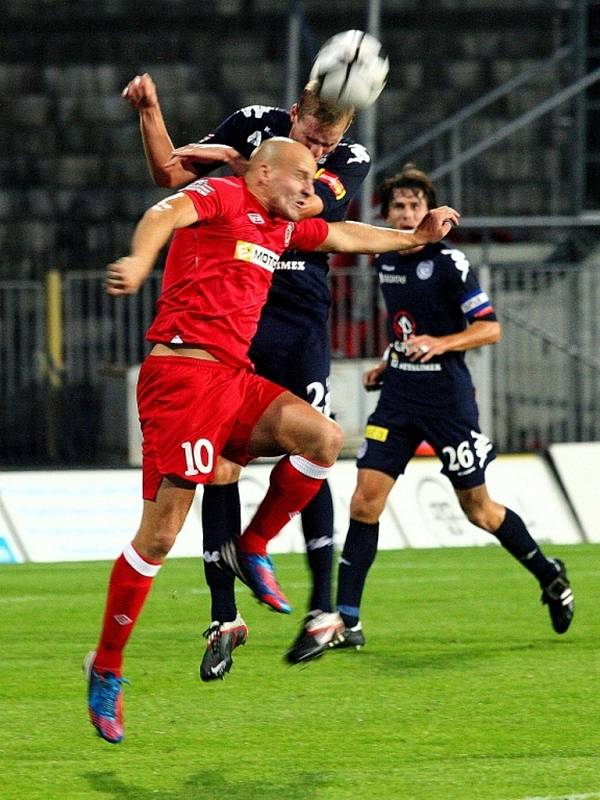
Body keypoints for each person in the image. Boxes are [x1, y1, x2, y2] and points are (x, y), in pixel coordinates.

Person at [84, 138, 460, 744]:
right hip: (181, 376)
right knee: (158, 535)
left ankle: (251, 544)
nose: (313, 190)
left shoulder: (282, 229)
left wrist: (418, 239)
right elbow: (164, 212)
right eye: (305, 177)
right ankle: (106, 666)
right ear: (263, 172)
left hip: (233, 379)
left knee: (324, 439)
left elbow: (348, 237)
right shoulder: (225, 194)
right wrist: (137, 259)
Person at [122, 72, 372, 669]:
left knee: (316, 444)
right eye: (312, 133)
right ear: (295, 112)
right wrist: (153, 113)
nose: (318, 150)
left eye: (328, 141)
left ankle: (320, 607)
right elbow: (169, 178)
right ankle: (222, 615)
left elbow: (310, 210)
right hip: (238, 317)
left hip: (301, 318)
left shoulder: (349, 157)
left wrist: (239, 163)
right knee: (222, 463)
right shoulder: (255, 123)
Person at [328, 164, 575, 655]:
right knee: (364, 501)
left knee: (478, 511)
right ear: (387, 214)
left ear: (429, 213)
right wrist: (388, 360)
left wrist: (440, 344)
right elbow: (406, 328)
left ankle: (549, 575)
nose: (405, 214)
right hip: (399, 398)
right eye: (397, 207)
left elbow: (490, 329)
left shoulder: (449, 263)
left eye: (414, 206)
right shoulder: (385, 258)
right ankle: (348, 622)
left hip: (447, 403)